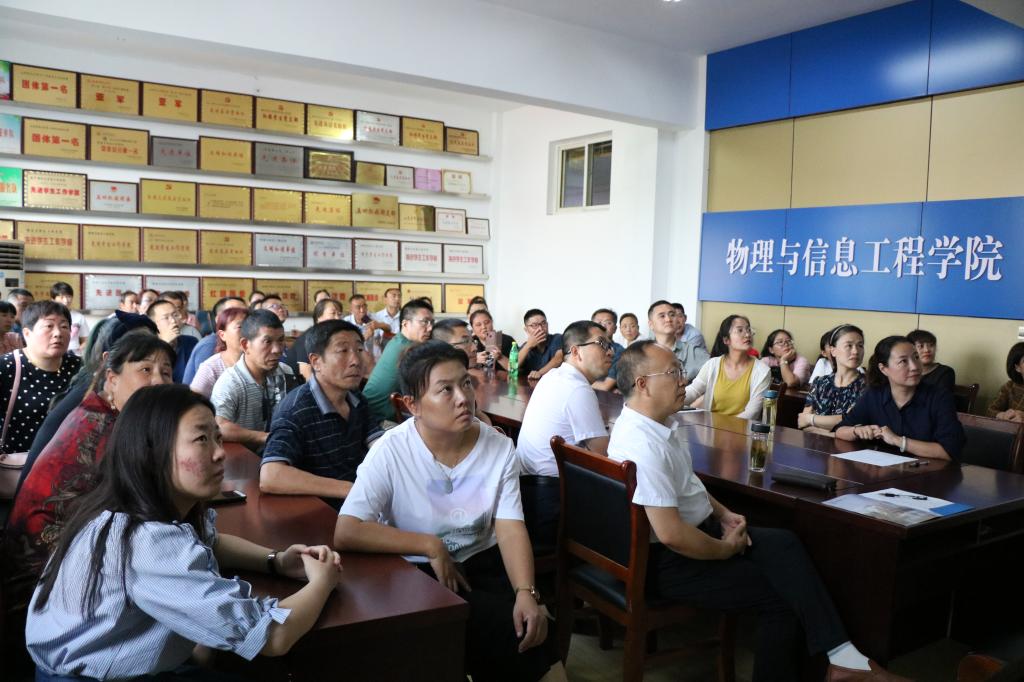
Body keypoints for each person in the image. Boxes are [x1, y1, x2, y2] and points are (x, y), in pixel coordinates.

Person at [609, 341, 909, 682]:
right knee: (781, 597)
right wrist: (725, 550)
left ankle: (843, 658)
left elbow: (687, 484)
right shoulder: (643, 443)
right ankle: (839, 665)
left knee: (784, 543)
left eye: (681, 370)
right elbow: (672, 535)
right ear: (643, 384)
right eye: (673, 373)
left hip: (689, 534)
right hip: (666, 561)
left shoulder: (658, 424)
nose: (684, 380)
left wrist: (723, 514)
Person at [25, 384, 342, 680]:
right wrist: (323, 582)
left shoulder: (125, 507)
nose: (219, 453)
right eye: (202, 439)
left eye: (217, 437)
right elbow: (272, 636)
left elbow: (211, 542)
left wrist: (276, 560)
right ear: (152, 451)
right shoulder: (147, 541)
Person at [335, 341, 566, 682]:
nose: (463, 398)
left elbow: (510, 527)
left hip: (483, 563)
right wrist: (430, 545)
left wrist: (526, 592)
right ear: (413, 404)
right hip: (417, 570)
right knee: (475, 631)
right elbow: (347, 530)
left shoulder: (499, 446)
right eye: (445, 389)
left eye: (466, 383)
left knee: (531, 630)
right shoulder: (390, 452)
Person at [2, 333, 176, 669]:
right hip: (45, 603)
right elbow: (148, 513)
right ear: (112, 378)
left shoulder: (101, 410)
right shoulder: (105, 431)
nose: (158, 381)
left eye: (166, 372)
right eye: (145, 369)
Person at [20, 313, 159, 491]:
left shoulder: (100, 387)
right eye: (146, 366)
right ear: (109, 360)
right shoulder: (94, 399)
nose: (158, 380)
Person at [260, 320, 382, 509]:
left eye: (359, 350)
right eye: (343, 351)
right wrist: (352, 490)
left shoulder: (355, 398)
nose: (356, 361)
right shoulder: (296, 410)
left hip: (363, 503)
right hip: (323, 510)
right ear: (316, 362)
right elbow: (271, 475)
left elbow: (378, 444)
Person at [516, 321, 612, 548]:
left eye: (610, 345)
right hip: (552, 500)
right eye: (601, 344)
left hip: (526, 492)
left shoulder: (553, 376)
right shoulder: (577, 388)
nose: (610, 352)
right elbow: (604, 455)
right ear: (576, 351)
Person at [836, 336, 965, 461]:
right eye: (903, 361)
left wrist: (898, 441)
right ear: (884, 369)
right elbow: (840, 430)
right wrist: (857, 431)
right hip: (882, 471)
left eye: (916, 357)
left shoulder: (939, 397)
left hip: (926, 472)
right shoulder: (874, 395)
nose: (914, 367)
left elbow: (950, 450)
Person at [1, 301, 82, 456]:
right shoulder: (6, 367)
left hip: (68, 462)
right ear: (27, 333)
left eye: (64, 326)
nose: (58, 333)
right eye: (49, 326)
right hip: (19, 463)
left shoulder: (81, 368)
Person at [210, 309, 293, 451]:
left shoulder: (286, 372)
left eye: (280, 340)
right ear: (245, 345)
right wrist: (265, 437)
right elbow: (219, 427)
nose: (277, 349)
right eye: (267, 342)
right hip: (242, 458)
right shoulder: (231, 382)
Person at [363, 298, 434, 424]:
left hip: (372, 412)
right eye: (424, 322)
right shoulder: (409, 350)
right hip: (378, 421)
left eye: (432, 323)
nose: (430, 328)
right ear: (405, 324)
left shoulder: (398, 340)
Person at [684, 314, 770, 419]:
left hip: (741, 427)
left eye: (748, 330)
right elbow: (693, 391)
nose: (747, 335)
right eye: (740, 330)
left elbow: (753, 412)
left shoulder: (762, 371)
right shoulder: (712, 365)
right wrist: (671, 402)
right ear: (726, 340)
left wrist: (726, 427)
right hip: (710, 426)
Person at [798, 325, 867, 435]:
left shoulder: (868, 386)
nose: (855, 351)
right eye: (849, 345)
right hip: (814, 444)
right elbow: (803, 423)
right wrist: (836, 433)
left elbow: (850, 421)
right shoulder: (820, 383)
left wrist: (811, 419)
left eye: (860, 345)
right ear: (833, 351)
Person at [182, 296, 248, 384]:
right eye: (233, 312)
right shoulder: (210, 345)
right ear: (219, 319)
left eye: (244, 312)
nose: (241, 316)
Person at [190, 307, 250, 398]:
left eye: (250, 327)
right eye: (240, 327)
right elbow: (192, 401)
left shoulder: (260, 362)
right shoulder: (211, 368)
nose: (248, 332)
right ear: (222, 335)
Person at [648, 300, 709, 382]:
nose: (668, 319)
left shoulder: (694, 353)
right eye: (662, 316)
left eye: (672, 315)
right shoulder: (642, 352)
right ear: (651, 324)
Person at [147, 298, 198, 383]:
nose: (173, 321)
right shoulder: (146, 347)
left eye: (175, 315)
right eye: (166, 318)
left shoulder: (191, 342)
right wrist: (164, 344)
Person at [291, 297, 344, 381]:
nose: (337, 318)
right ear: (319, 316)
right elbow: (306, 376)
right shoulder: (307, 338)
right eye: (333, 313)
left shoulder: (330, 338)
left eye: (339, 314)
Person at [519, 309, 563, 380]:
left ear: (547, 325)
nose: (540, 328)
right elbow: (511, 367)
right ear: (526, 329)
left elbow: (558, 359)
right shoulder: (525, 347)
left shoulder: (557, 338)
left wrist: (540, 373)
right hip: (532, 385)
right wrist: (528, 346)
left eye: (543, 323)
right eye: (534, 325)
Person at [50, 281, 90, 356]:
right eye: (61, 297)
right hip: (54, 355)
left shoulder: (79, 317)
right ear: (53, 299)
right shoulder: (48, 317)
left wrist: (78, 350)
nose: (66, 300)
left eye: (68, 296)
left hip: (74, 355)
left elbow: (86, 340)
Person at [590, 308, 625, 392]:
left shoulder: (619, 351)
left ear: (615, 328)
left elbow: (605, 386)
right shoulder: (582, 346)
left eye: (608, 323)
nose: (602, 326)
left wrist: (580, 381)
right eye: (598, 323)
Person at [987, 342, 1024, 422]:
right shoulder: (1010, 386)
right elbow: (990, 410)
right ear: (1017, 368)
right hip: (1011, 429)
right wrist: (1003, 415)